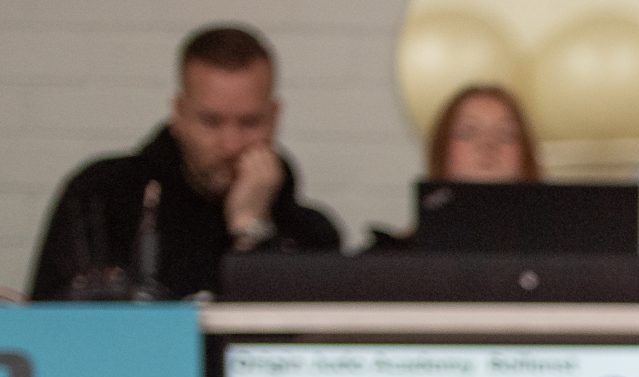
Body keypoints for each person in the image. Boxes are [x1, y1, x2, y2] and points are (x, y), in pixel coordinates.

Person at [26, 24, 341, 301]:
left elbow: (296, 344)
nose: (230, 144)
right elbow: (49, 329)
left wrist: (251, 228)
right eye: (210, 122)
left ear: (274, 118)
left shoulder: (309, 234)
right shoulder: (101, 199)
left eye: (249, 123)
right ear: (179, 114)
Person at [364, 85, 542, 252]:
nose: (488, 145)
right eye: (468, 132)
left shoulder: (558, 255)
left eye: (505, 134)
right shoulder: (388, 260)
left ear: (525, 155)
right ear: (443, 151)